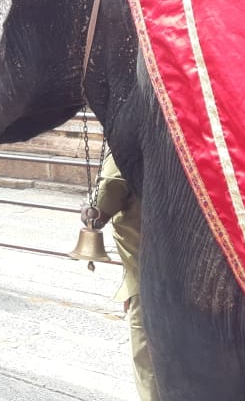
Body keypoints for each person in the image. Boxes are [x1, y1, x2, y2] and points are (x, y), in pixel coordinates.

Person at [88, 154, 159, 401]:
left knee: (147, 352)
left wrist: (88, 211)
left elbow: (101, 206)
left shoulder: (124, 149)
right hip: (185, 264)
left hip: (148, 271)